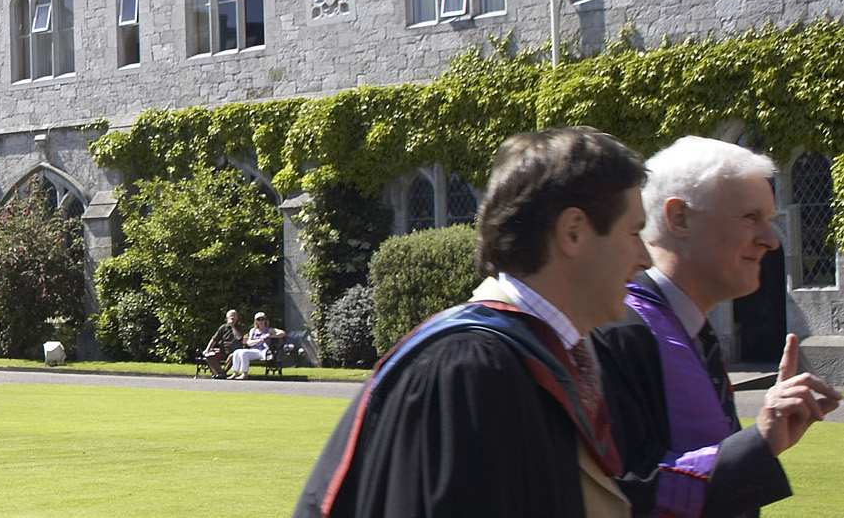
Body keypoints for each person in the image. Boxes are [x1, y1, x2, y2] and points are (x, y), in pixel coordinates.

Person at [295, 127, 653, 518]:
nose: (645, 258)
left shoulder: (550, 359)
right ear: (573, 232)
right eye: (634, 233)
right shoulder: (467, 370)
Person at [591, 137, 842, 518]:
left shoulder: (691, 329)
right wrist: (754, 444)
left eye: (770, 221)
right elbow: (622, 490)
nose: (771, 240)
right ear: (680, 218)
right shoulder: (617, 331)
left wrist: (762, 441)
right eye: (750, 218)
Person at [227, 312, 280, 380]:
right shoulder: (253, 330)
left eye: (262, 319)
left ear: (265, 320)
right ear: (256, 321)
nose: (261, 321)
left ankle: (244, 374)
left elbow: (282, 333)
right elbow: (249, 342)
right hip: (254, 350)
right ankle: (235, 373)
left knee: (244, 353)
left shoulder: (269, 330)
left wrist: (270, 335)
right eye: (259, 319)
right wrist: (257, 341)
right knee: (237, 352)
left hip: (263, 351)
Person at [201, 310, 242, 378]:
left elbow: (239, 337)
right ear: (227, 318)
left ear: (237, 317)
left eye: (234, 315)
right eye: (231, 316)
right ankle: (221, 373)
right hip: (223, 351)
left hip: (235, 352)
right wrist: (207, 349)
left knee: (232, 356)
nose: (232, 317)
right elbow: (214, 339)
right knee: (209, 356)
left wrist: (232, 327)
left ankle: (222, 373)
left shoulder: (240, 327)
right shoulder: (223, 328)